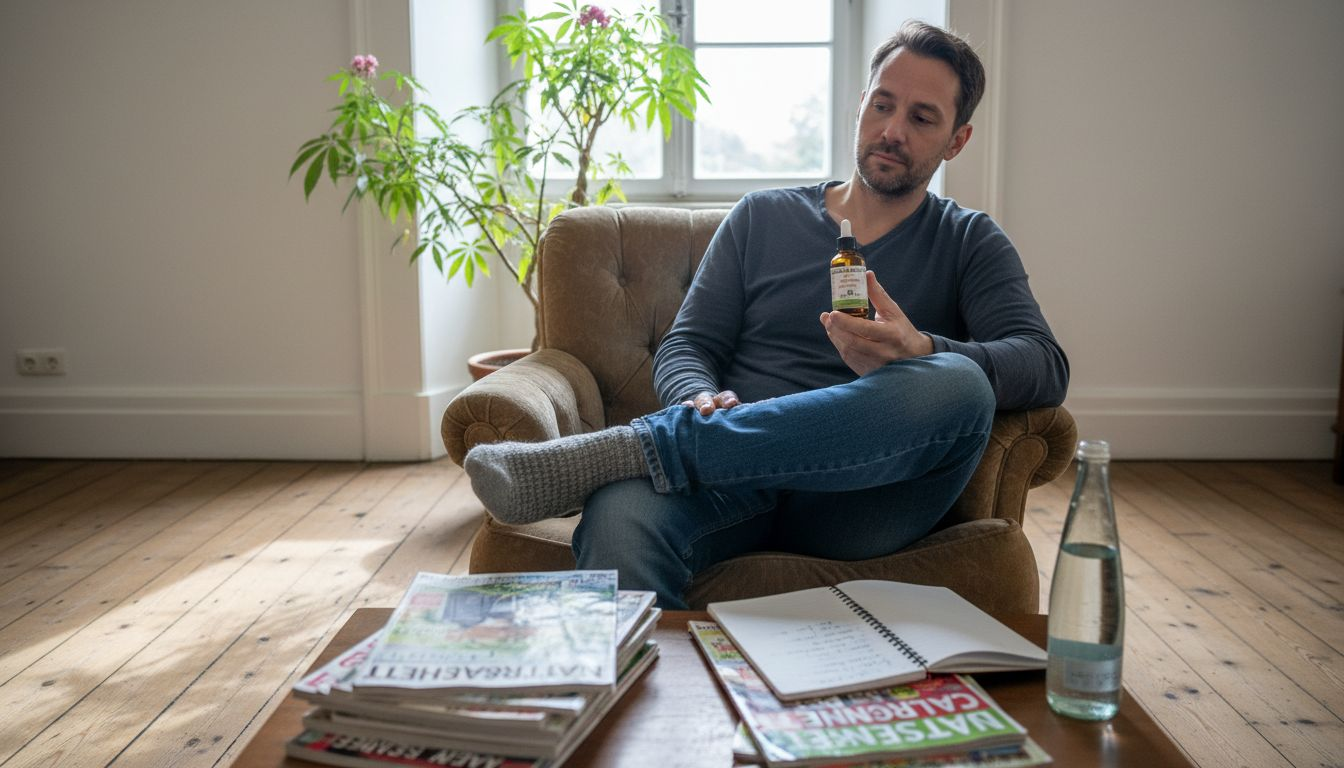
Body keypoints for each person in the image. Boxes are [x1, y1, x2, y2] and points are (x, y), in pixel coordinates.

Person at [463, 20, 1069, 608]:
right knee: (620, 516)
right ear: (861, 104)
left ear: (957, 140)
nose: (892, 130)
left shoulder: (969, 239)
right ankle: (652, 691)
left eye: (922, 117)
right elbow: (687, 344)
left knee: (960, 386)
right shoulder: (762, 217)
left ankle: (641, 447)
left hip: (864, 499)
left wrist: (924, 352)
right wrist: (695, 399)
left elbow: (1043, 363)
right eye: (882, 105)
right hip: (727, 483)